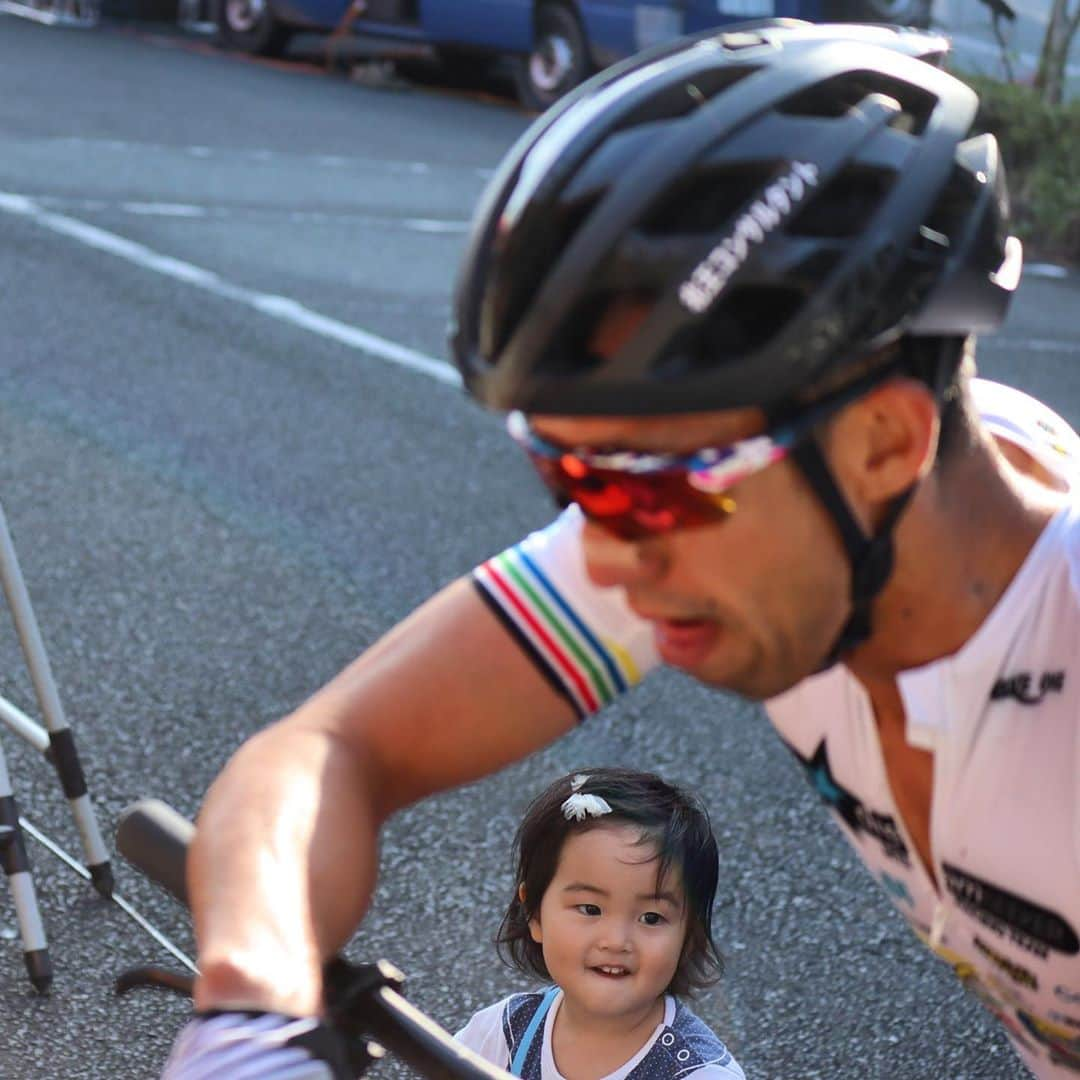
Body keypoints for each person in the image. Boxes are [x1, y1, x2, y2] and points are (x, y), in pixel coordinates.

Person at [161, 19, 1080, 1080]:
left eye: (642, 486)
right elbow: (324, 754)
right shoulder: (782, 523)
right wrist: (254, 1007)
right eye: (571, 479)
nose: (603, 559)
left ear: (885, 445)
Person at [454, 768, 744, 1080]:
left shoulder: (698, 1073)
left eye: (651, 918)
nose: (616, 940)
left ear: (688, 936)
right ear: (534, 912)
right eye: (591, 909)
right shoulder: (503, 1035)